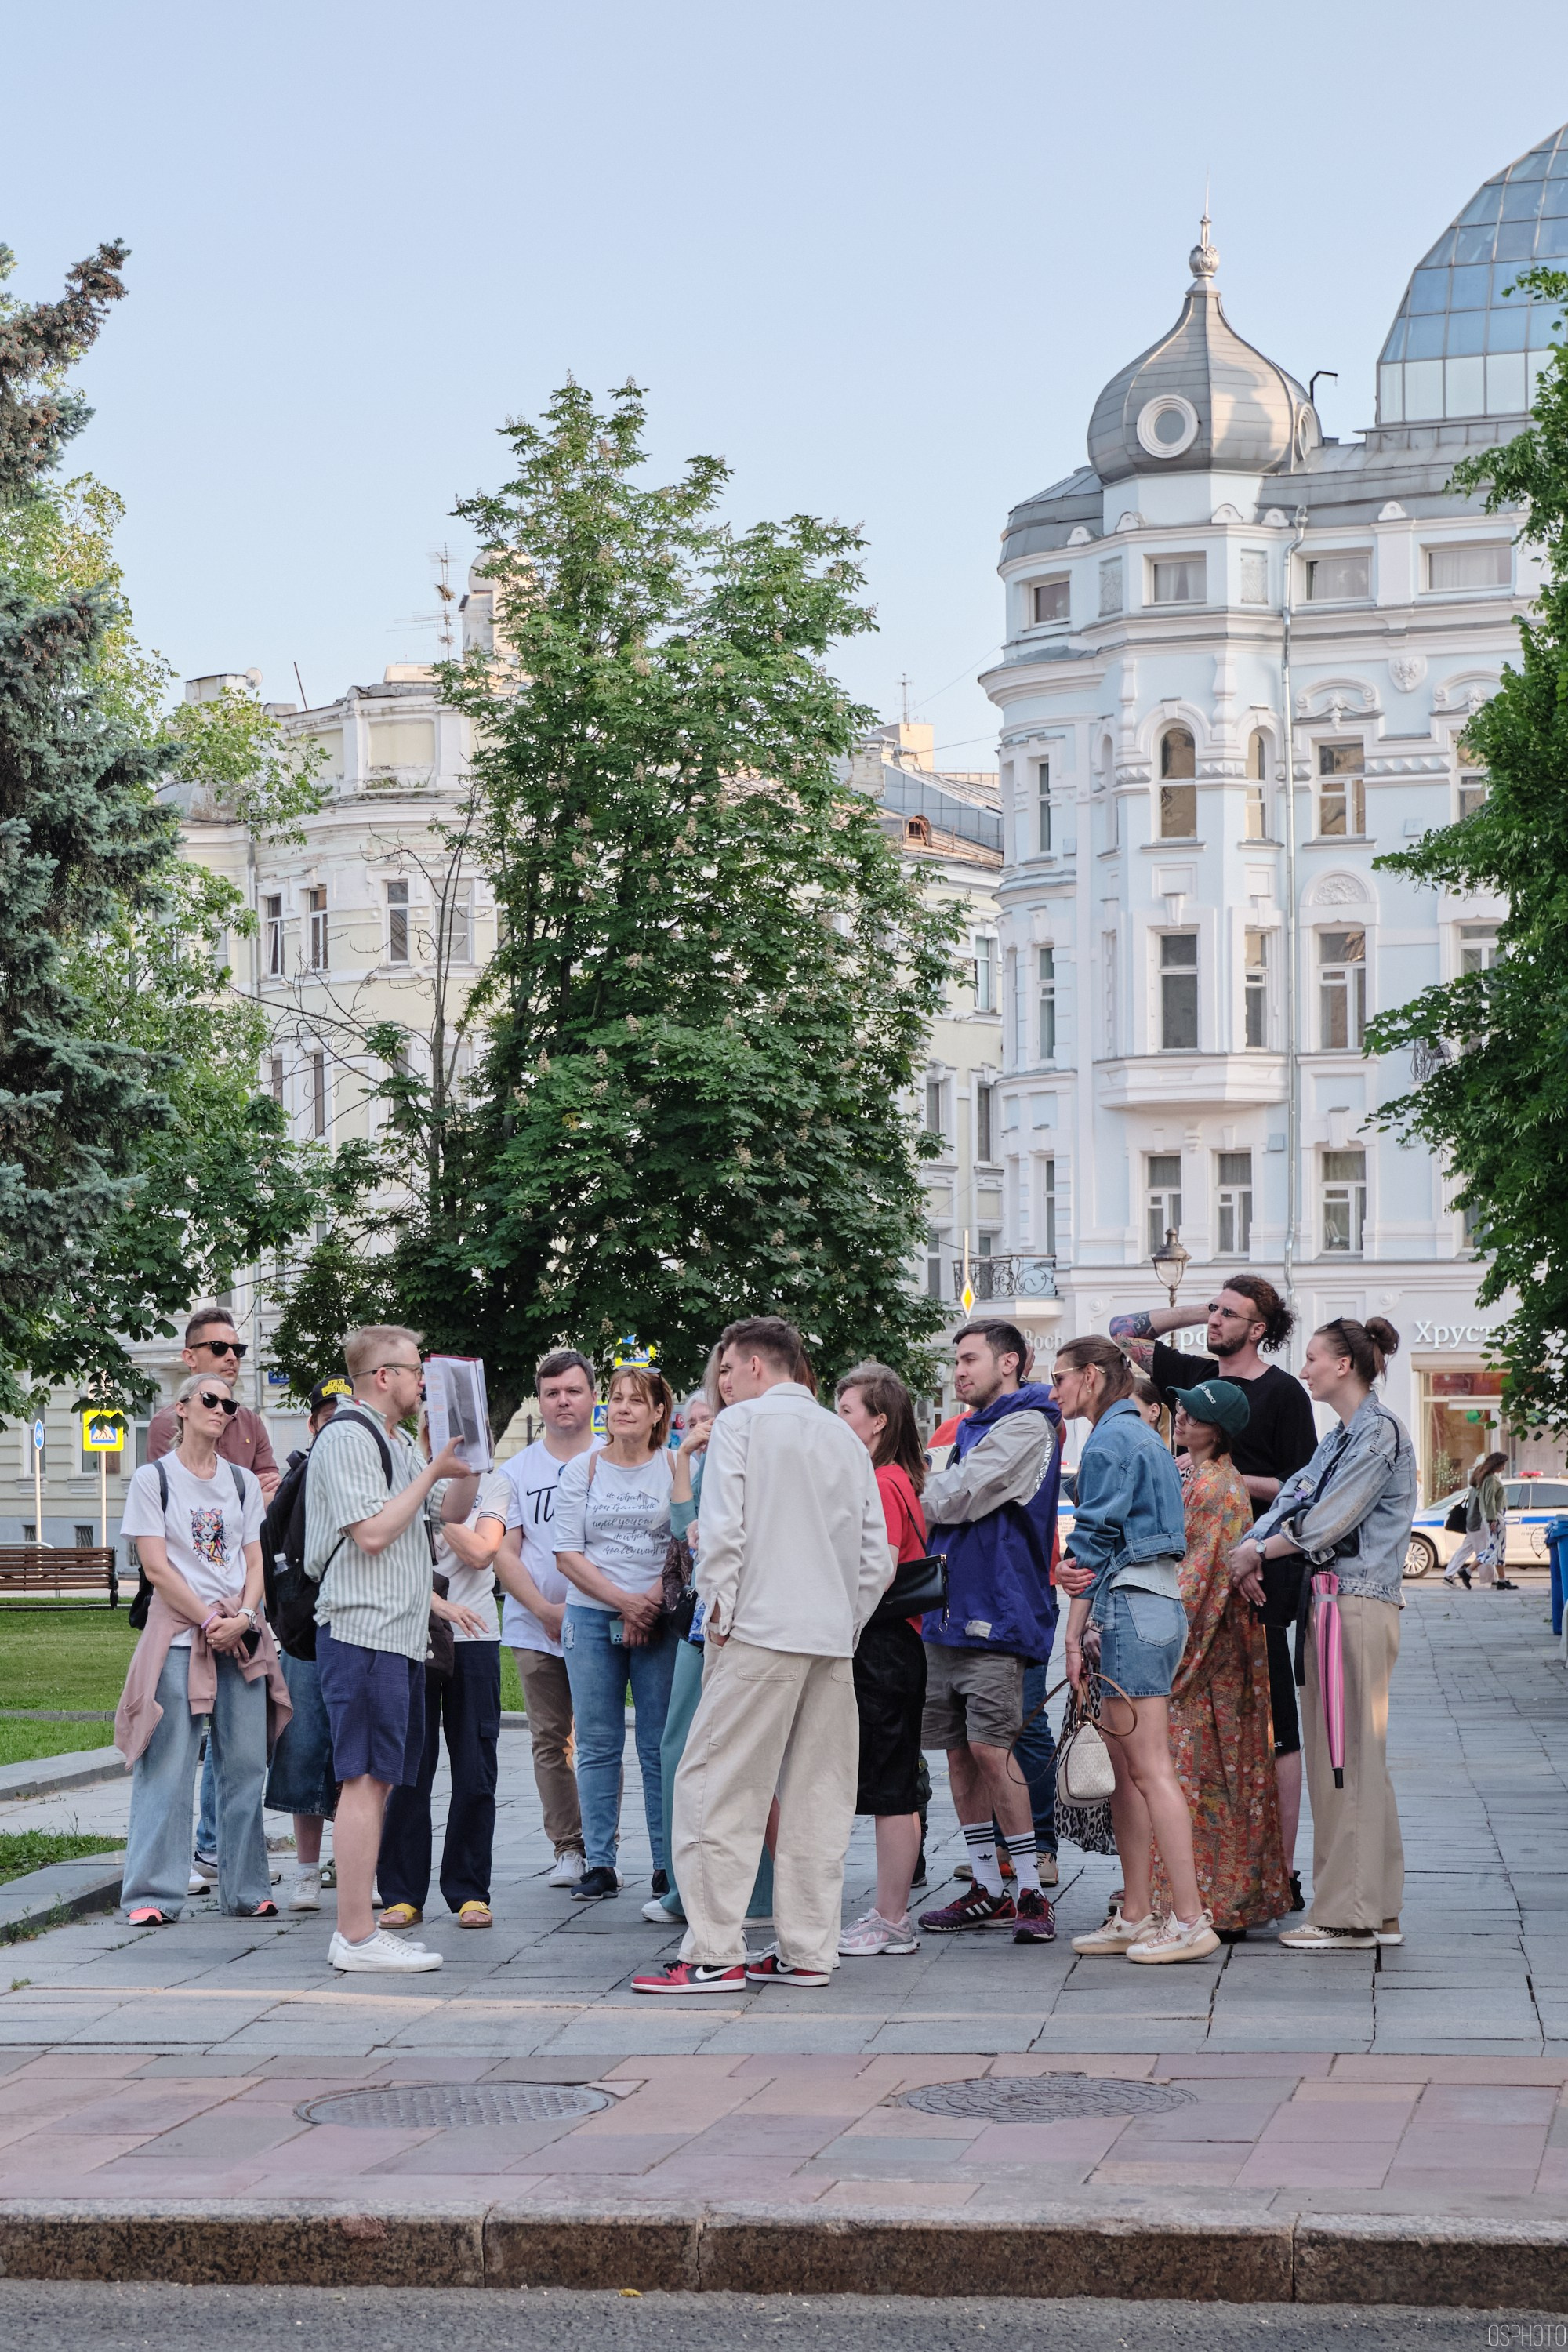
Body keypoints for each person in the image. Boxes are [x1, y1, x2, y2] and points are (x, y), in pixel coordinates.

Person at [633, 1316, 889, 1994]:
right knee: (817, 1797)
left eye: (726, 1368)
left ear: (754, 1365)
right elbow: (876, 1553)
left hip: (758, 1630)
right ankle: (808, 1949)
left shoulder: (741, 1426)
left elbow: (723, 1533)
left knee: (717, 1788)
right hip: (827, 1638)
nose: (721, 1382)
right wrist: (846, 1621)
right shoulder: (842, 1435)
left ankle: (714, 1950)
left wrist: (718, 1618)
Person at [1109, 1277, 1317, 1907]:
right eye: (1215, 1310)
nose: (1216, 1320)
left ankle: (1279, 1871)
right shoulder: (1197, 1375)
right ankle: (1204, 1870)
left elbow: (1300, 1486)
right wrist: (1197, 1307)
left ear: (1259, 1329)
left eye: (1230, 1314)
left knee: (1273, 1728)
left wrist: (1219, 1474)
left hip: (1259, 1580)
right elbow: (1121, 1332)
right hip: (1200, 1571)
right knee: (1201, 1731)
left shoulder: (1283, 1392)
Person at [1234, 1317, 1417, 1954]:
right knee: (1353, 1757)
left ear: (1344, 1365)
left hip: (1354, 1605)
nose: (1303, 1368)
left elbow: (1328, 1519)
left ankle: (1348, 1915)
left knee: (1345, 1760)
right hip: (1334, 1604)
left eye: (1312, 1357)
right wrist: (1252, 1546)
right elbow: (1294, 1497)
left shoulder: (1377, 1433)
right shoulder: (1343, 1436)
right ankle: (1378, 1909)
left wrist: (1258, 1552)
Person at [305, 1323, 477, 1974]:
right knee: (363, 1780)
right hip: (361, 1631)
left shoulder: (398, 1441)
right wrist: (432, 1467)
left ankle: (358, 1933)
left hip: (396, 1635)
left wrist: (466, 1460)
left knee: (378, 1781)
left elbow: (447, 1513)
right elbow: (373, 1533)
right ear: (384, 1376)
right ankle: (355, 1936)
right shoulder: (348, 1436)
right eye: (414, 1370)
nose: (422, 1382)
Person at [1054, 1334, 1219, 1965]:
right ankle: (1137, 1913)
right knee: (1131, 1773)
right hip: (1149, 1603)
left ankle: (1189, 1919)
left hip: (1132, 1605)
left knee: (1148, 1769)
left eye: (1060, 1378)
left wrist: (1074, 1630)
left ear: (1091, 1377)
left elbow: (1092, 1542)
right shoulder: (1140, 1435)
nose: (1055, 1390)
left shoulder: (1111, 1440)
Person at [115, 1374, 292, 1925]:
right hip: (178, 1636)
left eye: (229, 1404)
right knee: (166, 1766)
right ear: (183, 1409)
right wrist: (210, 1619)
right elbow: (156, 1568)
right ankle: (151, 1895)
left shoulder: (241, 1482)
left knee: (245, 1766)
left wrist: (243, 1618)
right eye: (210, 1400)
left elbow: (256, 1562)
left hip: (239, 1635)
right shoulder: (154, 1479)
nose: (221, 1409)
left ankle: (246, 1890)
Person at [915, 1319, 1062, 1947]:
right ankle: (985, 1884)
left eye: (970, 1359)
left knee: (991, 1749)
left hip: (999, 1614)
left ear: (1010, 1363)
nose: (958, 1371)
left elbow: (956, 1496)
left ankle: (1028, 1887)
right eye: (957, 1360)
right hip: (946, 1613)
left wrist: (900, 1491)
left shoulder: (1028, 1424)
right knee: (957, 1751)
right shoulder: (969, 1427)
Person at [1152, 1379, 1290, 1939]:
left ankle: (1215, 1902)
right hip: (1212, 1652)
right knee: (1207, 1774)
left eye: (1195, 1414)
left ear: (1220, 1430)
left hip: (1209, 1659)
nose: (1182, 1418)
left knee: (1204, 1774)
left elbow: (1197, 1581)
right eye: (1181, 1410)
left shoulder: (1215, 1485)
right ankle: (1204, 1898)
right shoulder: (1200, 1475)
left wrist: (1167, 1653)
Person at [554, 1363, 678, 1903]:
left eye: (636, 1400)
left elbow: (686, 1545)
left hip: (659, 1615)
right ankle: (600, 1862)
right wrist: (625, 1604)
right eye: (616, 1398)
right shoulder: (582, 1470)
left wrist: (647, 1604)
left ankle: (666, 1864)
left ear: (657, 1413)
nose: (623, 1408)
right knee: (597, 1743)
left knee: (659, 1744)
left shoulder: (675, 1466)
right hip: (590, 1614)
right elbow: (566, 1554)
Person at [377, 1449, 511, 1931]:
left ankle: (469, 1891)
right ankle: (402, 1893)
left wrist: (435, 1508)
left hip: (475, 1636)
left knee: (476, 1769)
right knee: (409, 1769)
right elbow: (384, 1553)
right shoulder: (402, 1474)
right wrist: (427, 1488)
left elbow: (482, 1553)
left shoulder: (493, 1482)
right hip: (411, 1634)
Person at [495, 1349, 600, 1889]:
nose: (563, 1401)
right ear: (539, 1400)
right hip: (536, 1627)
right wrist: (544, 1611)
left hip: (602, 1622)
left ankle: (602, 1848)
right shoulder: (516, 1471)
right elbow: (504, 1550)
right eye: (552, 1392)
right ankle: (569, 1847)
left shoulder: (614, 1460)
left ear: (593, 1397)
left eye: (573, 1391)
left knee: (600, 1739)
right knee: (550, 1740)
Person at [835, 1362, 929, 1957]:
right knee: (895, 1782)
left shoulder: (884, 1481)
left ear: (879, 1421)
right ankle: (891, 1914)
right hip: (893, 1644)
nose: (837, 1421)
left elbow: (880, 1568)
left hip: (882, 1644)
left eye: (846, 1411)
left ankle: (892, 1917)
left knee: (892, 1786)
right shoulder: (894, 1477)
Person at [262, 1377, 351, 1911]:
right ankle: (305, 1870)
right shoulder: (297, 1475)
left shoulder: (372, 1468)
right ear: (314, 1424)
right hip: (305, 1630)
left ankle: (358, 1865)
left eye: (344, 1415)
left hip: (359, 1624)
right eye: (327, 1416)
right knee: (302, 1746)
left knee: (358, 1752)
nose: (334, 1424)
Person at [148, 1307, 281, 1500]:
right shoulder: (167, 1422)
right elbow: (178, 1498)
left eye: (238, 1350)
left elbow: (272, 1493)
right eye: (219, 1348)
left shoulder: (250, 1421)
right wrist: (249, 1492)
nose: (232, 1357)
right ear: (190, 1357)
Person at [1443, 1450, 1514, 1591]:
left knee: (1469, 1550)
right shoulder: (1487, 1482)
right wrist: (1491, 1520)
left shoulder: (1477, 1486)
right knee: (1489, 1550)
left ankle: (1451, 1575)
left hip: (1474, 1523)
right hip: (1478, 1524)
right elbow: (1488, 1504)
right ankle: (1471, 1574)